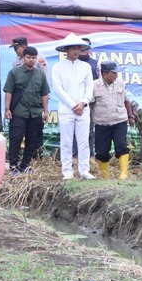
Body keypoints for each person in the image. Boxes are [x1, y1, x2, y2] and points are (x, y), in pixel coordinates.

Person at [51, 32, 95, 180]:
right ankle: (67, 172)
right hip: (66, 109)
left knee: (83, 142)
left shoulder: (86, 66)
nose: (76, 51)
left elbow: (89, 87)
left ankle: (84, 171)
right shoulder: (57, 67)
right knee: (66, 142)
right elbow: (58, 89)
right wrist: (73, 105)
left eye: (78, 48)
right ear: (66, 50)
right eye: (73, 48)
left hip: (83, 109)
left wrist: (83, 103)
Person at [3, 45, 51, 174]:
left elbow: (44, 94)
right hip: (18, 112)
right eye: (29, 57)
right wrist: (7, 109)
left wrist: (46, 111)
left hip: (35, 113)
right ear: (23, 57)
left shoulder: (40, 75)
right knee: (15, 139)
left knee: (32, 140)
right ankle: (13, 165)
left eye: (34, 58)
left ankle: (25, 165)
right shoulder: (14, 73)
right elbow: (9, 91)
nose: (31, 60)